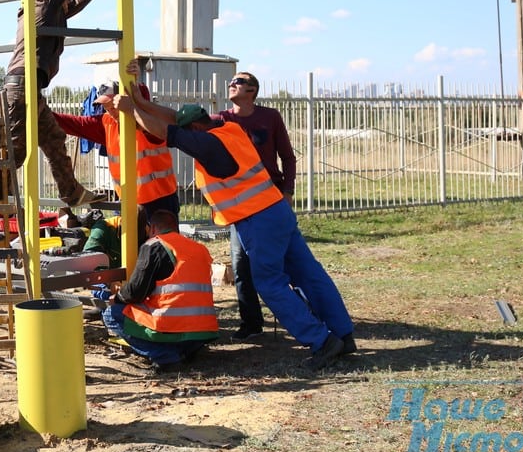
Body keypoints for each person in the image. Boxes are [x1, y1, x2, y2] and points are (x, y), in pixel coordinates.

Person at [127, 89, 355, 371]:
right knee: (309, 273)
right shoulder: (228, 129)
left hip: (257, 220)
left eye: (191, 135)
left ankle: (321, 341)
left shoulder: (209, 145)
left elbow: (168, 131)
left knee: (269, 283)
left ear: (197, 129)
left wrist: (132, 111)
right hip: (276, 210)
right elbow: (176, 118)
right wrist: (142, 103)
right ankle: (343, 334)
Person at [0, 0, 117, 241]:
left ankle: (71, 192)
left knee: (53, 138)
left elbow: (77, 1)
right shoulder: (41, 1)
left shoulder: (49, 11)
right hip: (21, 88)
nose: (64, 2)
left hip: (30, 89)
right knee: (13, 152)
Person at [217, 72, 297, 341]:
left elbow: (287, 157)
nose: (232, 83)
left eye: (238, 81)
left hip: (271, 199)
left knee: (284, 260)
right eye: (232, 80)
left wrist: (287, 191)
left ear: (252, 90)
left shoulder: (270, 117)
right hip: (240, 203)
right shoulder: (222, 119)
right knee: (241, 263)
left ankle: (298, 313)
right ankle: (251, 322)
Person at [101, 209, 219, 373]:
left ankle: (165, 356)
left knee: (111, 314)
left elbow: (136, 291)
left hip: (172, 327)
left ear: (153, 229)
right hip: (203, 331)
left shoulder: (154, 245)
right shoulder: (199, 248)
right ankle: (184, 351)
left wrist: (118, 297)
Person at [53, 75, 180, 220]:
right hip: (127, 201)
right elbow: (75, 124)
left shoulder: (147, 121)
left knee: (163, 242)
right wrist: (44, 114)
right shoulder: (107, 123)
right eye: (105, 107)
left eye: (112, 106)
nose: (110, 111)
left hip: (160, 201)